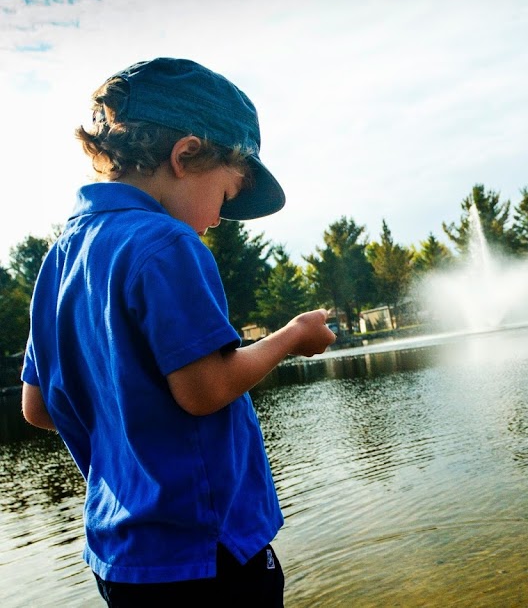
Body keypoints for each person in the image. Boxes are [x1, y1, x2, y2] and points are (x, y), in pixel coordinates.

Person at [20, 57, 336, 606]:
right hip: (206, 553)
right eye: (226, 196)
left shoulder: (60, 258)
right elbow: (205, 390)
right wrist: (291, 337)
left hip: (123, 556)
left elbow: (38, 409)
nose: (217, 219)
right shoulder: (167, 243)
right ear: (186, 155)